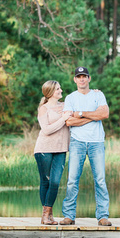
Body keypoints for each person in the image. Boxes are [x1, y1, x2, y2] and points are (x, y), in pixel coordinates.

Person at [60, 66, 112, 227]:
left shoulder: (98, 95)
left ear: (89, 79)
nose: (82, 79)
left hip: (96, 142)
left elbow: (104, 114)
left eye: (84, 76)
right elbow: (69, 121)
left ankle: (103, 216)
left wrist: (81, 113)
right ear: (75, 79)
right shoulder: (70, 98)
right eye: (79, 76)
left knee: (100, 180)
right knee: (72, 180)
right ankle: (69, 216)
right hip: (77, 142)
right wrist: (93, 115)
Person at [34, 80, 72, 225]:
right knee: (46, 181)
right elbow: (47, 130)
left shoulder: (65, 106)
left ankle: (47, 215)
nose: (61, 90)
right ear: (50, 93)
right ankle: (46, 216)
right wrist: (63, 118)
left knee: (55, 182)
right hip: (44, 149)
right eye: (57, 89)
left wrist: (95, 93)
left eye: (60, 88)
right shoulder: (43, 109)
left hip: (61, 149)